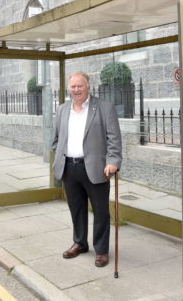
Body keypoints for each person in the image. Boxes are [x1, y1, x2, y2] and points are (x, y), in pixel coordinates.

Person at [52, 71, 122, 268]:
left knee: (100, 212)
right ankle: (80, 243)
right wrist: (59, 156)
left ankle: (101, 250)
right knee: (76, 209)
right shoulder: (63, 109)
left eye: (80, 86)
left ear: (88, 87)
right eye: (73, 86)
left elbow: (114, 139)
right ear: (69, 89)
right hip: (69, 168)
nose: (76, 90)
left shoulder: (104, 108)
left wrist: (113, 161)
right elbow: (56, 139)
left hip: (97, 168)